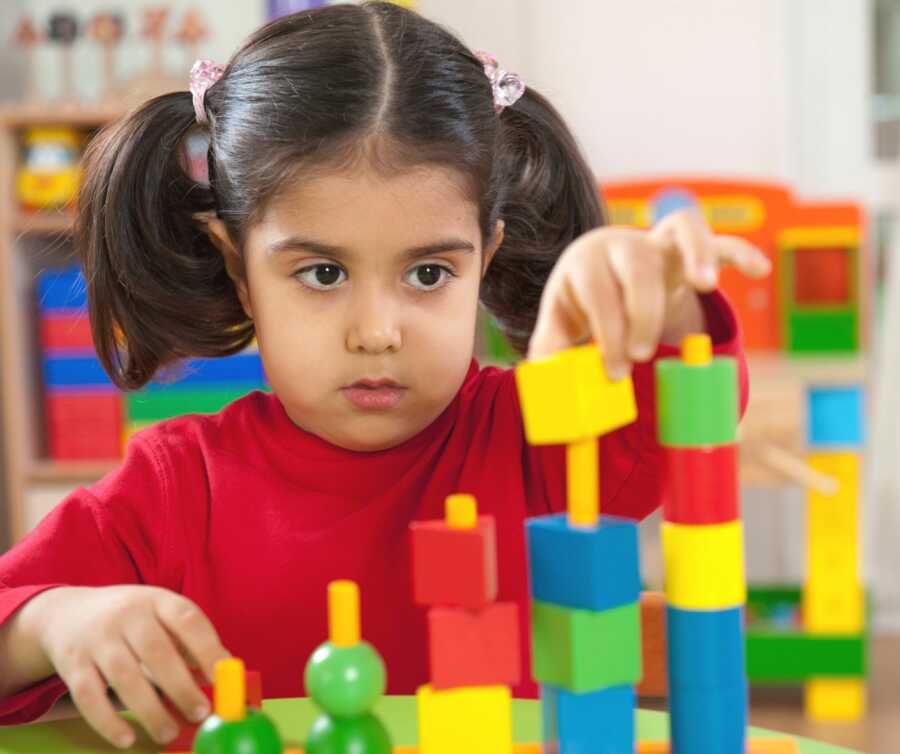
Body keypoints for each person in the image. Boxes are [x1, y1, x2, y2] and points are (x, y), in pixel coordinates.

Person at [0, 2, 767, 749]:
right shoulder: (173, 488)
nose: (377, 332)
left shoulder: (542, 437)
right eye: (324, 272)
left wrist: (662, 303)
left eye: (429, 273)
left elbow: (679, 418)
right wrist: (58, 621)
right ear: (240, 271)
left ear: (485, 259)